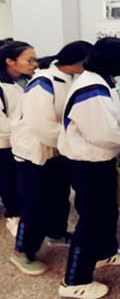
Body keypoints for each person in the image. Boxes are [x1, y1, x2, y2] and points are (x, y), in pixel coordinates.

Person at [57, 38, 120, 299]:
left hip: (99, 161)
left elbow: (105, 125)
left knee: (106, 212)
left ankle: (105, 253)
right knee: (91, 220)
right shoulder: (92, 89)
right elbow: (103, 134)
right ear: (116, 60)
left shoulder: (102, 81)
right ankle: (74, 281)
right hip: (87, 164)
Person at [10, 41, 93, 276]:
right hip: (34, 152)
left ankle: (56, 233)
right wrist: (76, 139)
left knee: (58, 197)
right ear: (80, 61)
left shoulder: (69, 79)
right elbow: (41, 126)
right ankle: (22, 251)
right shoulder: (43, 83)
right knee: (35, 204)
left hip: (57, 149)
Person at [0, 39, 37, 237]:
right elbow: (2, 126)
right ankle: (13, 217)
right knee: (8, 183)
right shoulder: (2, 86)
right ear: (10, 61)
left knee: (21, 184)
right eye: (29, 60)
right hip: (5, 144)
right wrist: (29, 125)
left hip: (22, 143)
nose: (34, 64)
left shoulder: (24, 82)